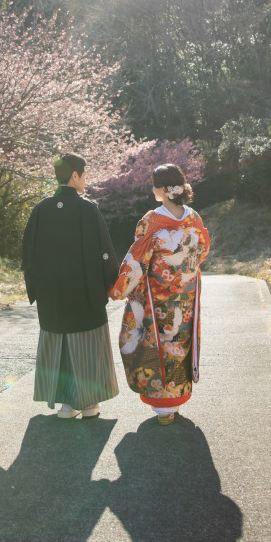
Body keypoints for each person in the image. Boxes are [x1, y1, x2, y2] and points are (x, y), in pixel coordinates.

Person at [109, 162, 210, 425]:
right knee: (181, 342)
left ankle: (163, 406)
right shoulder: (194, 218)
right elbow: (203, 252)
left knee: (161, 343)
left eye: (154, 185)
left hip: (158, 294)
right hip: (186, 292)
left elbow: (137, 260)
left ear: (163, 190)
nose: (152, 189)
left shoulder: (152, 220)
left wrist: (120, 288)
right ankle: (177, 398)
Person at [22, 153, 120, 419]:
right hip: (84, 294)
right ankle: (89, 404)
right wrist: (110, 282)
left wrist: (38, 288)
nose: (85, 180)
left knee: (59, 344)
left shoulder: (41, 208)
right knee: (87, 344)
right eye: (84, 175)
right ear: (75, 176)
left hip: (52, 296)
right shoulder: (87, 209)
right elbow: (104, 252)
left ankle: (66, 404)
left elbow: (28, 255)